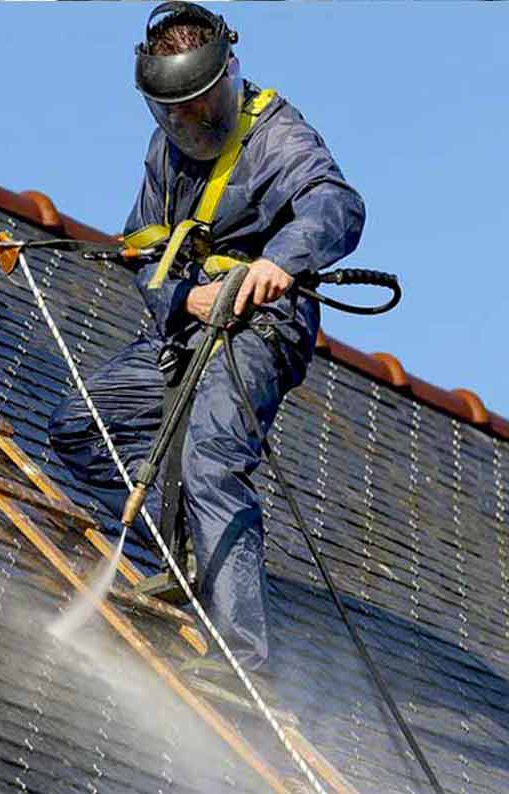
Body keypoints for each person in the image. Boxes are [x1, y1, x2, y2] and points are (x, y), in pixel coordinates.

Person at [48, 2, 364, 676]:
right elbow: (144, 246)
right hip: (192, 323)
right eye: (174, 114)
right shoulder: (167, 148)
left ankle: (241, 657)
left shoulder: (279, 136)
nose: (189, 123)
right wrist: (178, 295)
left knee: (212, 459)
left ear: (226, 78)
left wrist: (280, 263)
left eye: (200, 105)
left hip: (262, 328)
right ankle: (186, 545)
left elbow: (336, 204)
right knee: (82, 425)